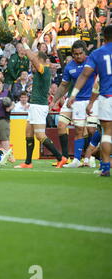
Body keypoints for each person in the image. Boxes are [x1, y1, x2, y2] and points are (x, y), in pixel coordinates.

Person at [68, 25, 112, 177]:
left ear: (104, 37)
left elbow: (85, 75)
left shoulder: (97, 53)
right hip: (103, 96)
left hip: (106, 97)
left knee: (107, 133)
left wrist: (73, 94)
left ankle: (105, 167)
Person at [14, 43, 67, 169]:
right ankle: (28, 162)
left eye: (35, 58)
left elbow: (32, 58)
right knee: (28, 133)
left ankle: (61, 158)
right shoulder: (41, 70)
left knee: (40, 136)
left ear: (40, 60)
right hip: (34, 105)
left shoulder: (43, 69)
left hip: (39, 106)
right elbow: (32, 59)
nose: (32, 62)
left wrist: (26, 46)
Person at [50, 40, 98, 168]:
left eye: (80, 53)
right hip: (77, 101)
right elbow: (64, 85)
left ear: (85, 52)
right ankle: (76, 159)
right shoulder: (69, 66)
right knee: (79, 130)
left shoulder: (92, 61)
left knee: (92, 130)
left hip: (92, 100)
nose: (78, 56)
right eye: (75, 54)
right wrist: (54, 100)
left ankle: (91, 157)